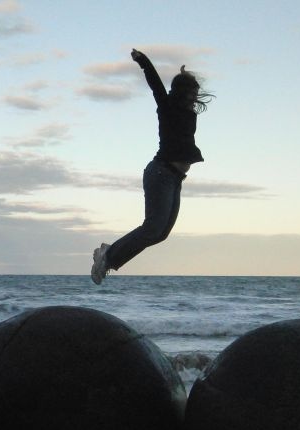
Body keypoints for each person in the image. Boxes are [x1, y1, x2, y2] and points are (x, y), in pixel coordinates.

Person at [91, 48, 214, 284]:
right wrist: (143, 61)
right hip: (161, 173)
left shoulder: (190, 114)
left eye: (196, 93)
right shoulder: (167, 107)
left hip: (175, 178)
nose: (194, 98)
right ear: (182, 93)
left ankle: (110, 254)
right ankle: (108, 257)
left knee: (161, 233)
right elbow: (156, 85)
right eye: (191, 93)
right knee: (151, 228)